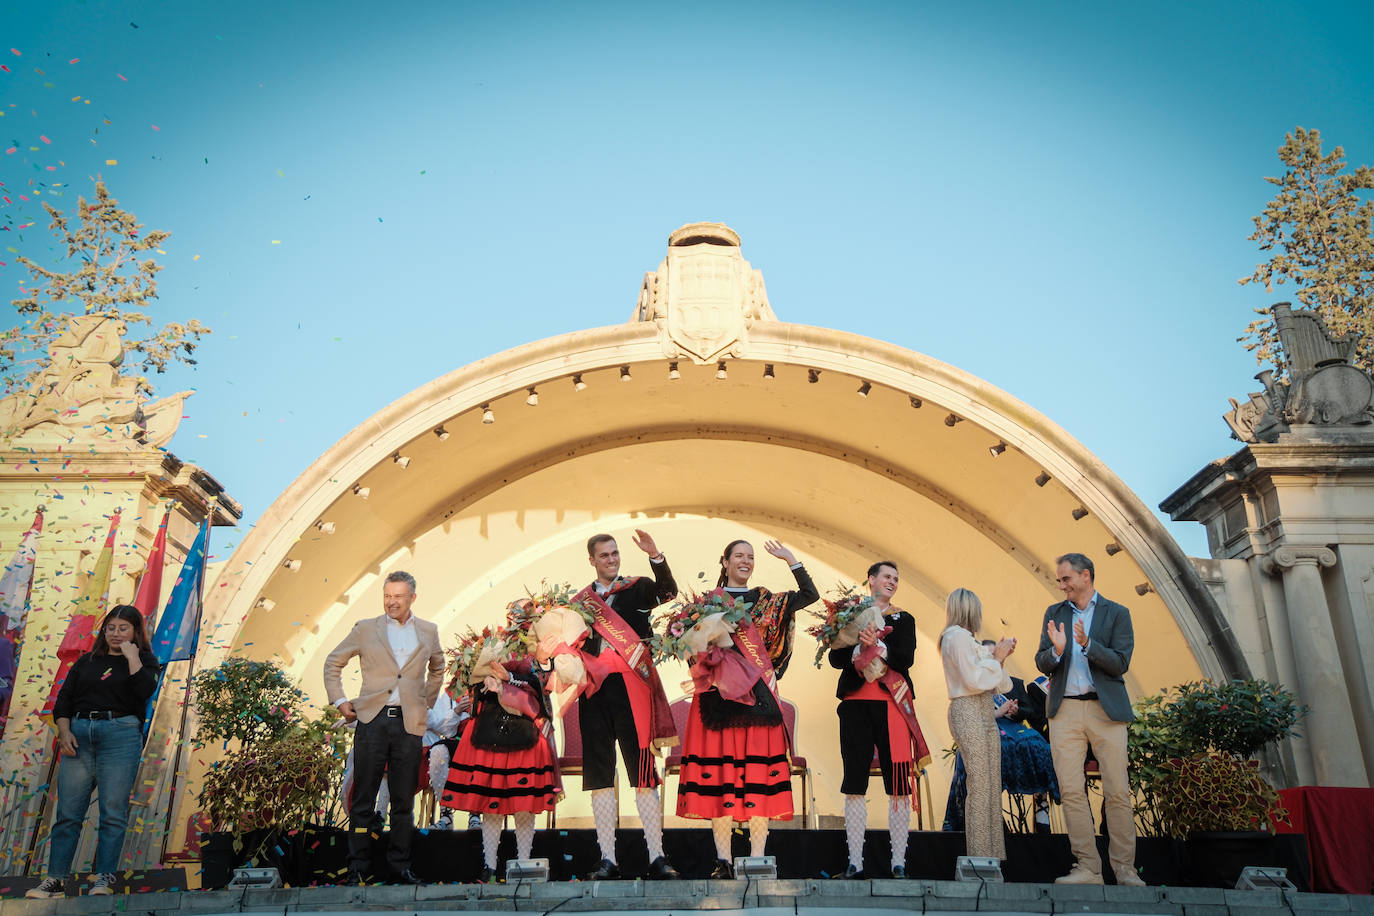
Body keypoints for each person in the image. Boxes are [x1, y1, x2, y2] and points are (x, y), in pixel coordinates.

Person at [677, 538, 818, 878]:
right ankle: (723, 861)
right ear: (724, 562)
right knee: (720, 780)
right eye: (739, 556)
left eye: (750, 557)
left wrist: (792, 560)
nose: (746, 561)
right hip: (716, 698)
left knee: (759, 778)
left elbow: (809, 596)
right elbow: (686, 646)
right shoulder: (707, 603)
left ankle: (757, 857)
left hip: (759, 696)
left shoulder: (766, 600)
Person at [26, 605, 160, 898]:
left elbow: (145, 692)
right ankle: (55, 880)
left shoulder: (145, 660)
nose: (115, 633)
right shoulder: (87, 661)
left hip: (120, 736)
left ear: (136, 631)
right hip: (80, 735)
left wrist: (133, 657)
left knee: (112, 812)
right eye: (111, 627)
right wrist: (64, 732)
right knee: (68, 813)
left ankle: (104, 877)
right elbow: (64, 700)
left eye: (123, 628)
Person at [323, 570, 445, 885]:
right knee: (364, 797)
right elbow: (333, 662)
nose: (392, 602)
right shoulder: (365, 629)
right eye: (387, 596)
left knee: (403, 799)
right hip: (372, 720)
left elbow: (438, 666)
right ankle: (358, 867)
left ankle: (400, 866)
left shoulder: (428, 631)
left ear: (412, 598)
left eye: (398, 597)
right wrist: (339, 701)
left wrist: (425, 701)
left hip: (409, 722)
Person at [572, 531, 681, 879]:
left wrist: (655, 555)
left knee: (643, 772)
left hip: (632, 690)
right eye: (604, 555)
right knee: (600, 775)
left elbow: (668, 593)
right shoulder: (578, 603)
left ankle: (657, 856)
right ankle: (608, 858)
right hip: (594, 693)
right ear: (592, 560)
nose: (611, 559)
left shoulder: (637, 588)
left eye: (615, 553)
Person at [1034, 552, 1143, 887]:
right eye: (1060, 580)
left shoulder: (1118, 613)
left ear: (1086, 576)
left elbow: (1120, 662)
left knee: (1117, 791)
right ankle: (1087, 868)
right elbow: (1041, 661)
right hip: (1064, 710)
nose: (1062, 585)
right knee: (1070, 790)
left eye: (1066, 578)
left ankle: (1125, 870)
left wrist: (1087, 644)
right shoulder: (1054, 613)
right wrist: (1056, 651)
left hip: (1106, 711)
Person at [829, 561, 931, 879]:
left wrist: (879, 647)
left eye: (896, 579)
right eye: (887, 576)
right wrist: (860, 645)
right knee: (854, 783)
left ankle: (898, 861)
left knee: (899, 785)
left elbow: (906, 659)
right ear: (871, 580)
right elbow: (834, 658)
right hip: (855, 706)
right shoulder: (850, 614)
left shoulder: (904, 619)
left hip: (892, 706)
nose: (892, 582)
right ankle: (855, 862)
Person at [441, 646, 561, 882]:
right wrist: (483, 685)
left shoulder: (539, 652)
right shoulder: (492, 647)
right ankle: (489, 866)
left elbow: (540, 684)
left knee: (524, 801)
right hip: (489, 735)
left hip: (525, 733)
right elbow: (476, 696)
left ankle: (524, 863)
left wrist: (509, 680)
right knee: (491, 803)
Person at [942, 644, 1058, 836]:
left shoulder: (1015, 683)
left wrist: (1016, 710)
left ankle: (1042, 809)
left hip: (1016, 733)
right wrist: (998, 712)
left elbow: (1031, 712)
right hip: (988, 731)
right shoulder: (973, 687)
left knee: (1040, 747)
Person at [938, 588, 1014, 861]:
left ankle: (994, 855)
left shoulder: (971, 640)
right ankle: (981, 856)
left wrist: (1000, 658)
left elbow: (1001, 684)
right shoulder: (955, 636)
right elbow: (974, 680)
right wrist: (996, 659)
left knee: (992, 782)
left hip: (983, 709)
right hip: (967, 708)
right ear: (970, 609)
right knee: (980, 782)